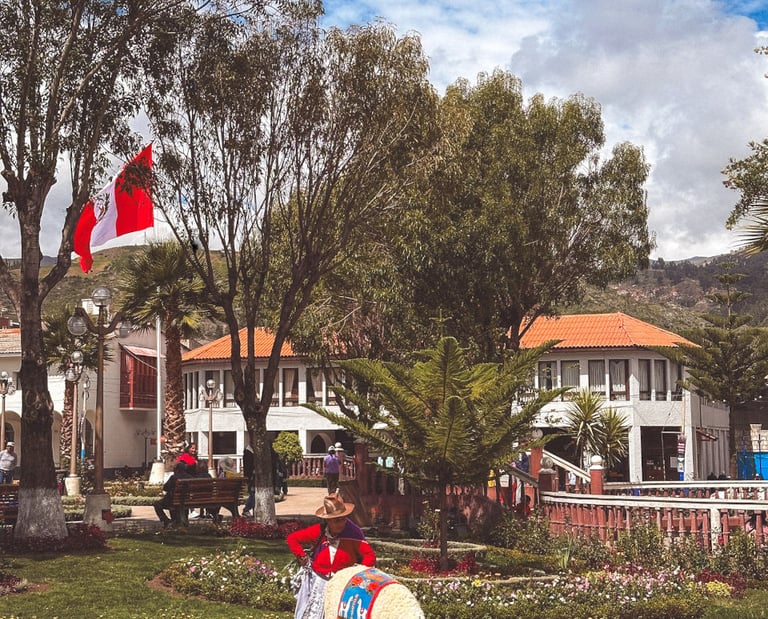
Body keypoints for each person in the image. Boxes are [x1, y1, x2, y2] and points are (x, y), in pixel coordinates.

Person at [286, 493, 376, 619]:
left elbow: (369, 555)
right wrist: (302, 557)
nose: (341, 523)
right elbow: (292, 539)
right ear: (327, 520)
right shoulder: (319, 531)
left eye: (343, 518)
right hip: (319, 583)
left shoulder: (354, 533)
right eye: (336, 520)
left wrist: (358, 575)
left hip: (342, 584)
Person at [154, 462, 191, 528]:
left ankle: (166, 520)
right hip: (187, 501)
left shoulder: (174, 477)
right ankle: (179, 521)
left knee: (157, 504)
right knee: (176, 502)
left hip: (173, 501)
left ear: (177, 469)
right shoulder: (190, 477)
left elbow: (165, 488)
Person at [242, 444, 255, 517]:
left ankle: (248, 509)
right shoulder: (248, 454)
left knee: (253, 494)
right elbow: (248, 469)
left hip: (251, 478)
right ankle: (246, 509)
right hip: (251, 478)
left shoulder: (249, 453)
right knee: (253, 495)